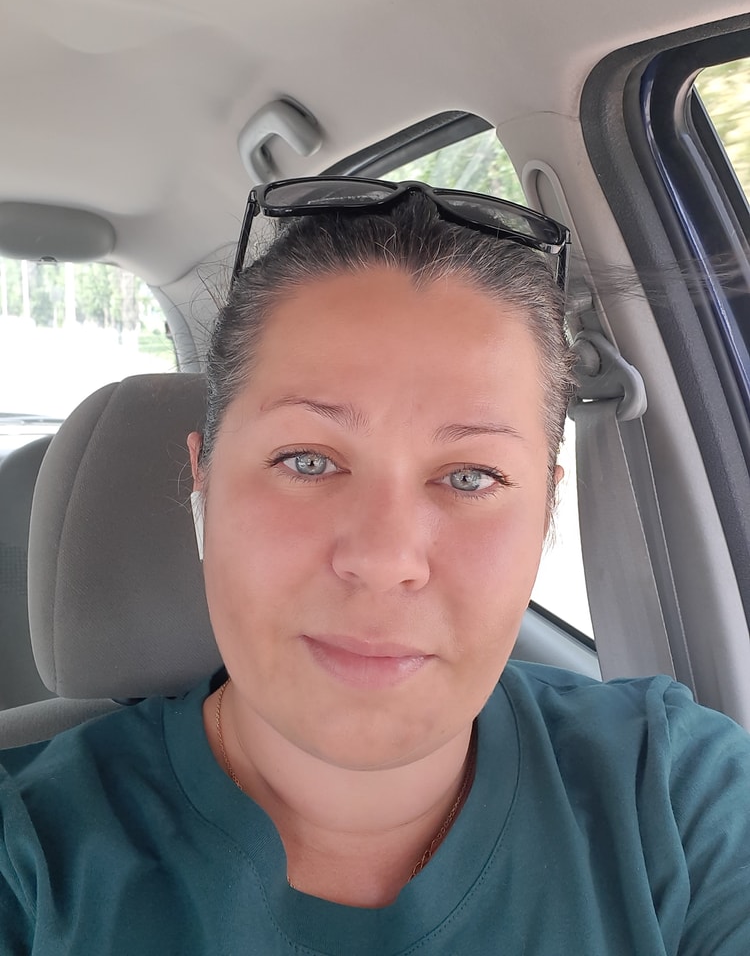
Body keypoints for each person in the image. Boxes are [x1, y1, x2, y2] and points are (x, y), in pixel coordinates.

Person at [1, 178, 749, 954]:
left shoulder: (677, 800)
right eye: (307, 460)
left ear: (547, 510)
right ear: (205, 484)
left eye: (471, 476)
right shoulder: (29, 860)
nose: (385, 560)